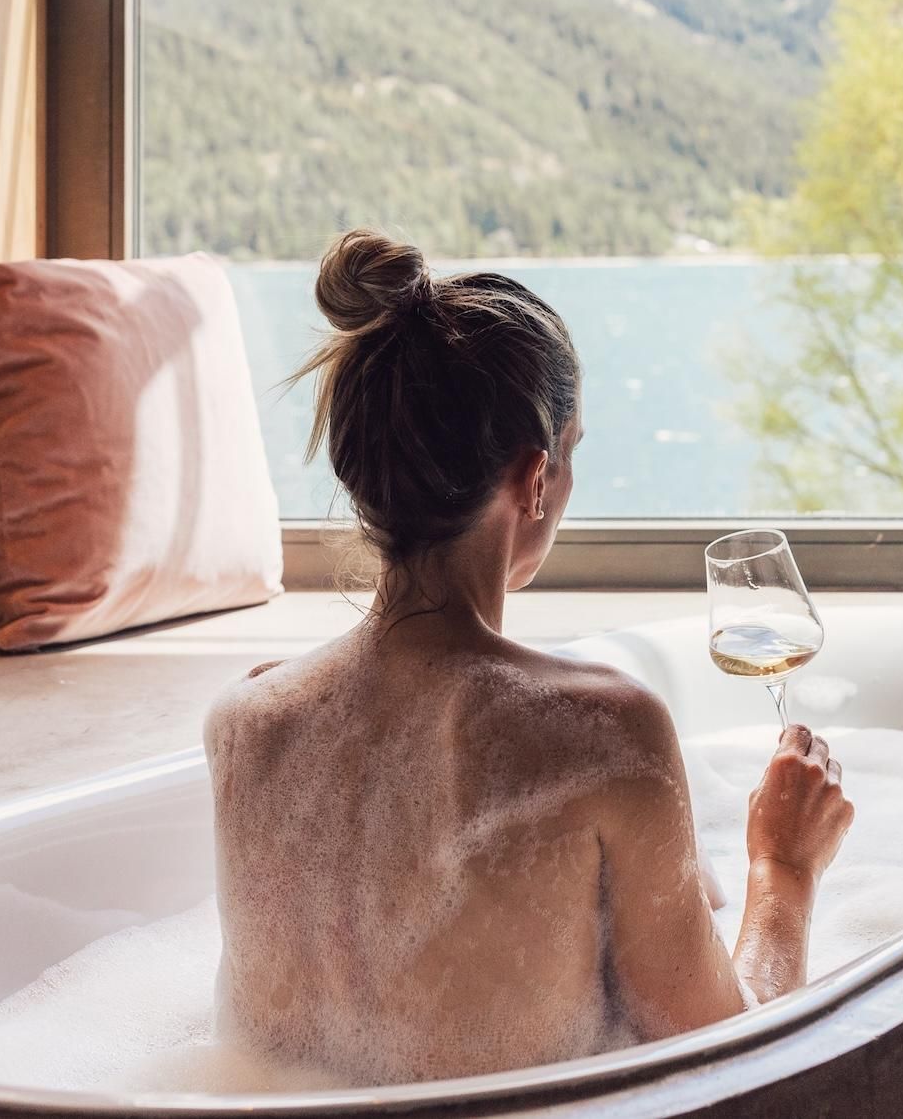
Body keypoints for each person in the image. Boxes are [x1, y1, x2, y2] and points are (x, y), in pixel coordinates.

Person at [204, 230, 853, 1085]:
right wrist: (783, 865)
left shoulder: (246, 724)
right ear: (535, 477)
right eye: (573, 449)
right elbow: (734, 1057)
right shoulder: (603, 734)